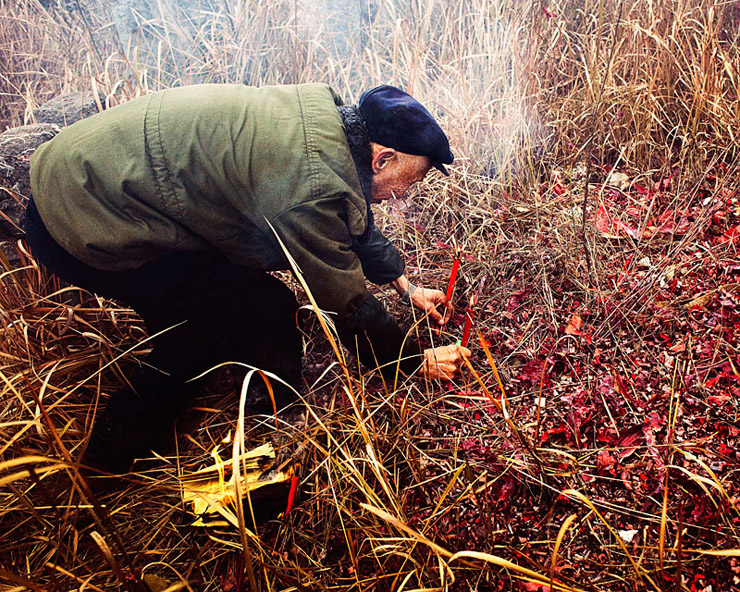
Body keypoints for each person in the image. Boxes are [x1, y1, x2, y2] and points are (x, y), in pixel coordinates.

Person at [25, 83, 471, 473]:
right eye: (407, 182)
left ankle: (272, 402)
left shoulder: (325, 123)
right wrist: (414, 361)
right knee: (196, 332)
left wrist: (405, 285)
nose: (401, 195)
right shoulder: (309, 184)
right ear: (383, 158)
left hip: (83, 174)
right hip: (83, 218)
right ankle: (106, 460)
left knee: (263, 303)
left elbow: (349, 215)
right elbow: (346, 303)